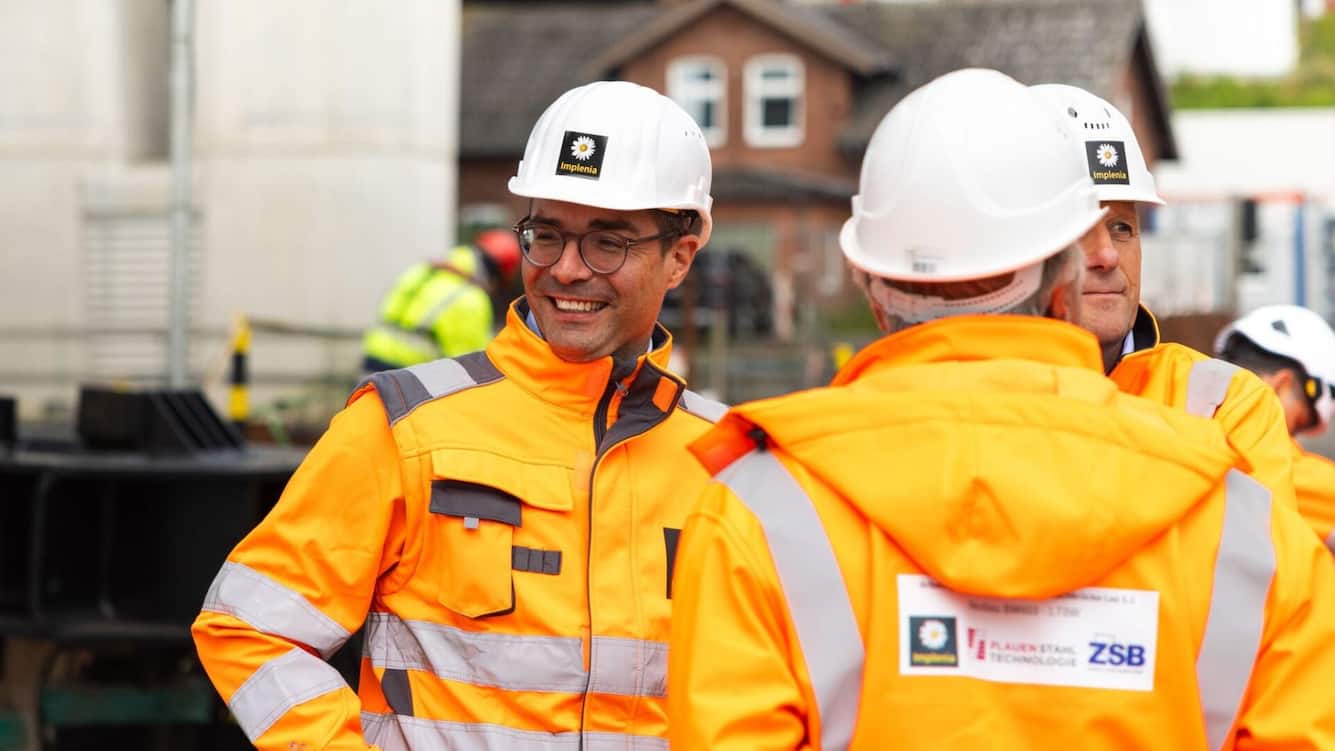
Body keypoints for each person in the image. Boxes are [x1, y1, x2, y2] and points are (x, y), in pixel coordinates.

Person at [667, 68, 1335, 750]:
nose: (1109, 255)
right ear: (1063, 278)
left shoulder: (762, 509)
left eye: (1125, 227)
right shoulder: (1242, 525)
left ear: (870, 284)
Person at [193, 80, 728, 749]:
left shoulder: (730, 463)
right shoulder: (403, 428)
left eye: (607, 242)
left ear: (679, 257)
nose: (566, 269)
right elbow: (248, 624)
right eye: (546, 235)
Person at [1032, 84, 1299, 509]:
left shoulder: (1229, 405)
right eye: (1078, 230)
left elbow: (1270, 549)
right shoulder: (962, 398)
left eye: (1122, 227)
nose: (1106, 255)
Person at [1217, 304, 1335, 552]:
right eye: (1299, 422)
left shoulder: (1171, 417)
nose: (1294, 441)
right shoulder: (1286, 470)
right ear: (1282, 386)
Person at [360, 229, 522, 372]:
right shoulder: (471, 299)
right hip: (410, 376)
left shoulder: (424, 270)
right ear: (497, 276)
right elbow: (470, 365)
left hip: (371, 360)